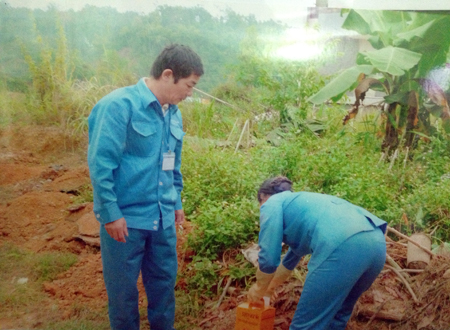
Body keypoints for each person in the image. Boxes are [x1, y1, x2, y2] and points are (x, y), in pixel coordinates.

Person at [87, 44, 204, 330]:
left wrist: (175, 201)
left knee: (163, 287)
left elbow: (172, 162)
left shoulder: (173, 113)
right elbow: (102, 165)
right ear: (167, 75)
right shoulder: (117, 106)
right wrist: (110, 213)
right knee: (123, 294)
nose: (190, 93)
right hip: (126, 222)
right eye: (189, 85)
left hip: (162, 219)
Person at [248, 176, 387, 330]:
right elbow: (289, 261)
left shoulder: (271, 203)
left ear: (263, 197)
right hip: (377, 244)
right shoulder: (303, 205)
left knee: (306, 326)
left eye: (260, 203)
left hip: (342, 245)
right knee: (337, 318)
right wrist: (270, 288)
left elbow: (268, 260)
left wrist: (259, 288)